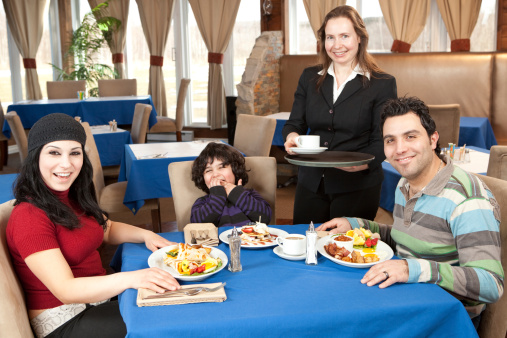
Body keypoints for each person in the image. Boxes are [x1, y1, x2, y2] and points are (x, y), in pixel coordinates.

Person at [317, 97, 504, 327]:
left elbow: (490, 284)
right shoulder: (405, 183)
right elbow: (405, 239)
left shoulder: (467, 199)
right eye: (390, 140)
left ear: (433, 139)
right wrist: (357, 226)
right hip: (406, 299)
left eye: (411, 136)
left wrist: (412, 268)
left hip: (445, 319)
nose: (400, 149)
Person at [6, 113, 181, 338]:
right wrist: (134, 277)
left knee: (177, 297)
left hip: (95, 303)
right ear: (35, 157)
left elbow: (105, 229)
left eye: (75, 153)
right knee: (167, 320)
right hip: (65, 320)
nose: (66, 163)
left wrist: (146, 235)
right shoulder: (29, 216)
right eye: (54, 152)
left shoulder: (70, 195)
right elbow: (65, 290)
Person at [283, 5, 397, 224]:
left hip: (358, 186)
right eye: (330, 37)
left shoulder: (382, 84)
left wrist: (363, 164)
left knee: (348, 254)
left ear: (360, 38)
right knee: (308, 248)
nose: (337, 45)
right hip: (311, 183)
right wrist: (291, 137)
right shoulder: (309, 77)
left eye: (345, 36)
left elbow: (382, 139)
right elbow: (294, 123)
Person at [190, 142, 271, 227]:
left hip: (249, 239)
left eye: (221, 167)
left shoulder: (249, 195)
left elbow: (265, 218)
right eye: (208, 170)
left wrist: (237, 194)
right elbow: (197, 225)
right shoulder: (203, 202)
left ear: (235, 170)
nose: (215, 174)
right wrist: (217, 197)